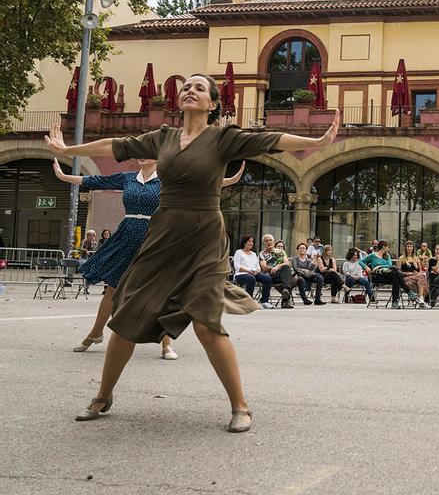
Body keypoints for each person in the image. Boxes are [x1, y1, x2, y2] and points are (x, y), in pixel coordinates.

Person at [46, 72, 339, 431]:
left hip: (204, 238)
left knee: (205, 323)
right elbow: (117, 144)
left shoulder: (222, 139)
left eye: (200, 88)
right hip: (163, 234)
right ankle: (103, 396)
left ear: (212, 104)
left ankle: (240, 406)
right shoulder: (163, 138)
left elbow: (269, 139)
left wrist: (317, 140)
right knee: (125, 317)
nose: (190, 90)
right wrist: (69, 151)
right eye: (187, 86)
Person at [50, 158, 249, 359]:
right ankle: (95, 333)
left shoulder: (168, 179)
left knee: (162, 292)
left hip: (157, 237)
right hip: (127, 237)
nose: (143, 155)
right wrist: (63, 176)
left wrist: (230, 180)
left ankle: (166, 344)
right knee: (113, 289)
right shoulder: (127, 178)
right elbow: (96, 180)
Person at [232, 235, 274, 308]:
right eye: (249, 241)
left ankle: (264, 301)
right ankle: (249, 301)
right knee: (251, 278)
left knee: (267, 278)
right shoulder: (239, 252)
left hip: (254, 273)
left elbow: (258, 266)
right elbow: (237, 266)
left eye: (252, 242)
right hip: (241, 274)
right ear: (244, 243)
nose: (251, 243)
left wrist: (257, 271)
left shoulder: (253, 254)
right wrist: (249, 271)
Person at [259, 234, 298, 308]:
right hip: (271, 275)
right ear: (263, 243)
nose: (269, 242)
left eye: (270, 240)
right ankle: (285, 300)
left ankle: (286, 290)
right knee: (291, 278)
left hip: (283, 274)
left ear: (274, 242)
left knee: (287, 269)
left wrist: (277, 267)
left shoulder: (280, 251)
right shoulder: (262, 253)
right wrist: (272, 269)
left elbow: (287, 263)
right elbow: (264, 267)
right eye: (266, 241)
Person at [361, 240, 403, 308]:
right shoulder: (373, 255)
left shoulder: (387, 256)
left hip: (388, 275)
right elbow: (361, 262)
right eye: (387, 247)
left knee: (396, 279)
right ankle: (407, 294)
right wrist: (366, 267)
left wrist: (379, 266)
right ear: (383, 247)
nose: (388, 249)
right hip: (378, 276)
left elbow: (389, 266)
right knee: (397, 275)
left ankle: (395, 302)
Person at [397, 240, 431, 308]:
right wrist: (409, 273)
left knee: (422, 277)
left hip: (416, 276)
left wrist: (417, 273)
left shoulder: (416, 258)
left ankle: (421, 298)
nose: (409, 248)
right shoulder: (401, 258)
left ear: (413, 248)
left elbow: (420, 271)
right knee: (418, 280)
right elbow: (398, 272)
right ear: (405, 248)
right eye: (408, 246)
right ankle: (420, 300)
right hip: (406, 278)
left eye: (411, 246)